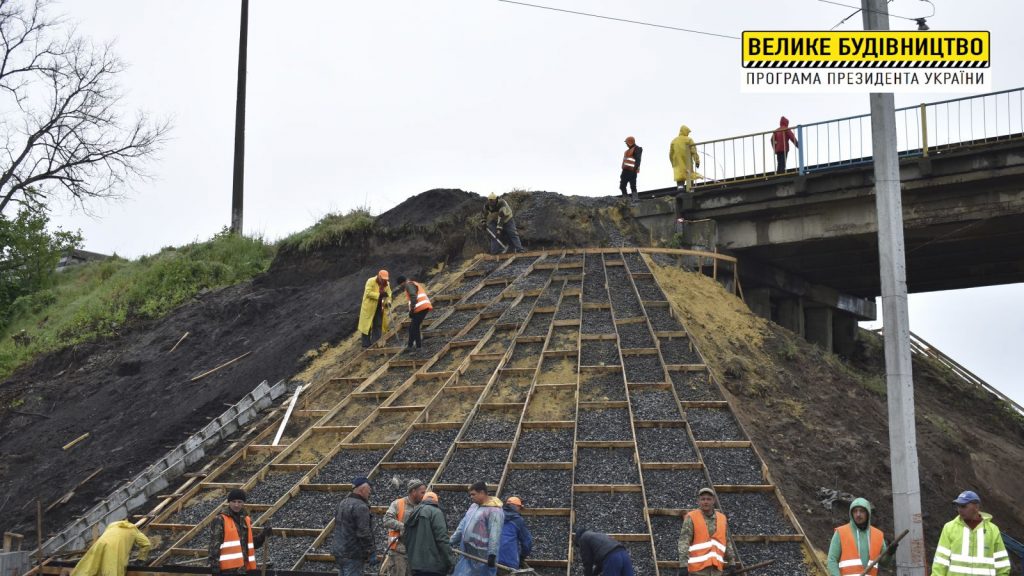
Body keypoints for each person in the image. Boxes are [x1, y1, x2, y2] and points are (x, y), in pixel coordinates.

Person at [931, 490, 1011, 576]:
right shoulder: (949, 528)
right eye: (958, 506)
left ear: (976, 507)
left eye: (963, 506)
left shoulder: (993, 530)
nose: (960, 510)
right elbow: (940, 561)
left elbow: (1002, 563)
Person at [206, 489, 271, 576]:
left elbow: (251, 543)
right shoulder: (220, 519)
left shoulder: (246, 520)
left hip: (244, 569)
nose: (236, 505)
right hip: (227, 570)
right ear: (229, 502)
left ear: (243, 503)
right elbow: (214, 544)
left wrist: (263, 535)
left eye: (239, 502)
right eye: (234, 501)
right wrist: (214, 564)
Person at [678, 487, 739, 576]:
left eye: (708, 499)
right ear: (698, 501)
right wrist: (683, 565)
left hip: (716, 571)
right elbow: (684, 541)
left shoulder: (722, 518)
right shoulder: (691, 517)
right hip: (697, 571)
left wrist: (732, 563)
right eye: (703, 499)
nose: (706, 502)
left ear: (713, 501)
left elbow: (727, 542)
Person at [827, 497, 894, 576]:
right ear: (851, 514)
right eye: (855, 511)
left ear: (867, 513)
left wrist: (890, 553)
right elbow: (832, 560)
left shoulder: (878, 535)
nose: (858, 514)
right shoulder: (841, 532)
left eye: (861, 511)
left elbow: (885, 563)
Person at [450, 481, 504, 576]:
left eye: (473, 494)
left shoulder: (494, 511)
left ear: (482, 492)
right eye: (470, 495)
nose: (471, 497)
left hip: (482, 557)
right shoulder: (473, 507)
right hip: (467, 554)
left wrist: (492, 554)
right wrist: (451, 541)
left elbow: (494, 533)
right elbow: (462, 525)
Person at [71, 520, 152, 576]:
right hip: (114, 549)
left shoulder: (112, 525)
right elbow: (146, 544)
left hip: (99, 545)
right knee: (112, 569)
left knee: (90, 566)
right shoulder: (134, 530)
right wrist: (140, 559)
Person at [403, 491, 454, 576]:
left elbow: (406, 538)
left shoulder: (413, 513)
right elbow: (442, 539)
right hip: (433, 567)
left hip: (415, 566)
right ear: (436, 501)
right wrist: (449, 561)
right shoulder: (436, 512)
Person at [333, 476, 377, 576]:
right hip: (353, 554)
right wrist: (371, 551)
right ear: (362, 489)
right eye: (369, 490)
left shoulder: (342, 503)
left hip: (339, 551)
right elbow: (363, 532)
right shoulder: (361, 506)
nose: (370, 493)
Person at [383, 479, 428, 576]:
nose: (424, 495)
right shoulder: (398, 504)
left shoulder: (423, 506)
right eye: (422, 492)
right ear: (413, 491)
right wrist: (403, 526)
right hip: (398, 551)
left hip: (415, 553)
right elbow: (386, 520)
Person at [394, 276, 433, 351]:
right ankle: (410, 345)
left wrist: (412, 310)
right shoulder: (412, 284)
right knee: (412, 327)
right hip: (422, 308)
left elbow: (413, 296)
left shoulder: (409, 285)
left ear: (402, 282)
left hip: (421, 308)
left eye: (401, 284)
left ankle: (418, 347)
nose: (401, 286)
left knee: (415, 327)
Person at [498, 496, 533, 569]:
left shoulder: (496, 515)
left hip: (490, 559)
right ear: (517, 507)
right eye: (520, 508)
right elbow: (527, 542)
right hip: (509, 561)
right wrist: (522, 557)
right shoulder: (517, 520)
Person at [359, 270, 392, 348]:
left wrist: (389, 302)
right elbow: (368, 293)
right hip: (369, 307)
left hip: (380, 306)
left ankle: (376, 342)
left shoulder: (387, 284)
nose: (384, 280)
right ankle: (366, 344)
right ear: (379, 276)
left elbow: (389, 294)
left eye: (385, 279)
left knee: (378, 324)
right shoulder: (371, 281)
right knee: (366, 325)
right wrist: (379, 295)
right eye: (383, 279)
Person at [670, 125, 701, 194]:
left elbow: (671, 153)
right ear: (685, 131)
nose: (688, 134)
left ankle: (680, 187)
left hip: (677, 161)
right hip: (687, 160)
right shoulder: (689, 140)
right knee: (689, 173)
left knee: (679, 173)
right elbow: (694, 151)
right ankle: (691, 188)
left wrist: (672, 163)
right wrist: (697, 161)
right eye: (688, 132)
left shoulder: (674, 141)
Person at [620, 136, 643, 202]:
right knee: (622, 186)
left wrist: (635, 169)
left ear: (629, 142)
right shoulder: (626, 151)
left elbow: (638, 160)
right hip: (625, 171)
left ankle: (635, 199)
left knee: (633, 185)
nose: (626, 144)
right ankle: (626, 199)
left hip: (632, 171)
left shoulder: (637, 149)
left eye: (627, 143)